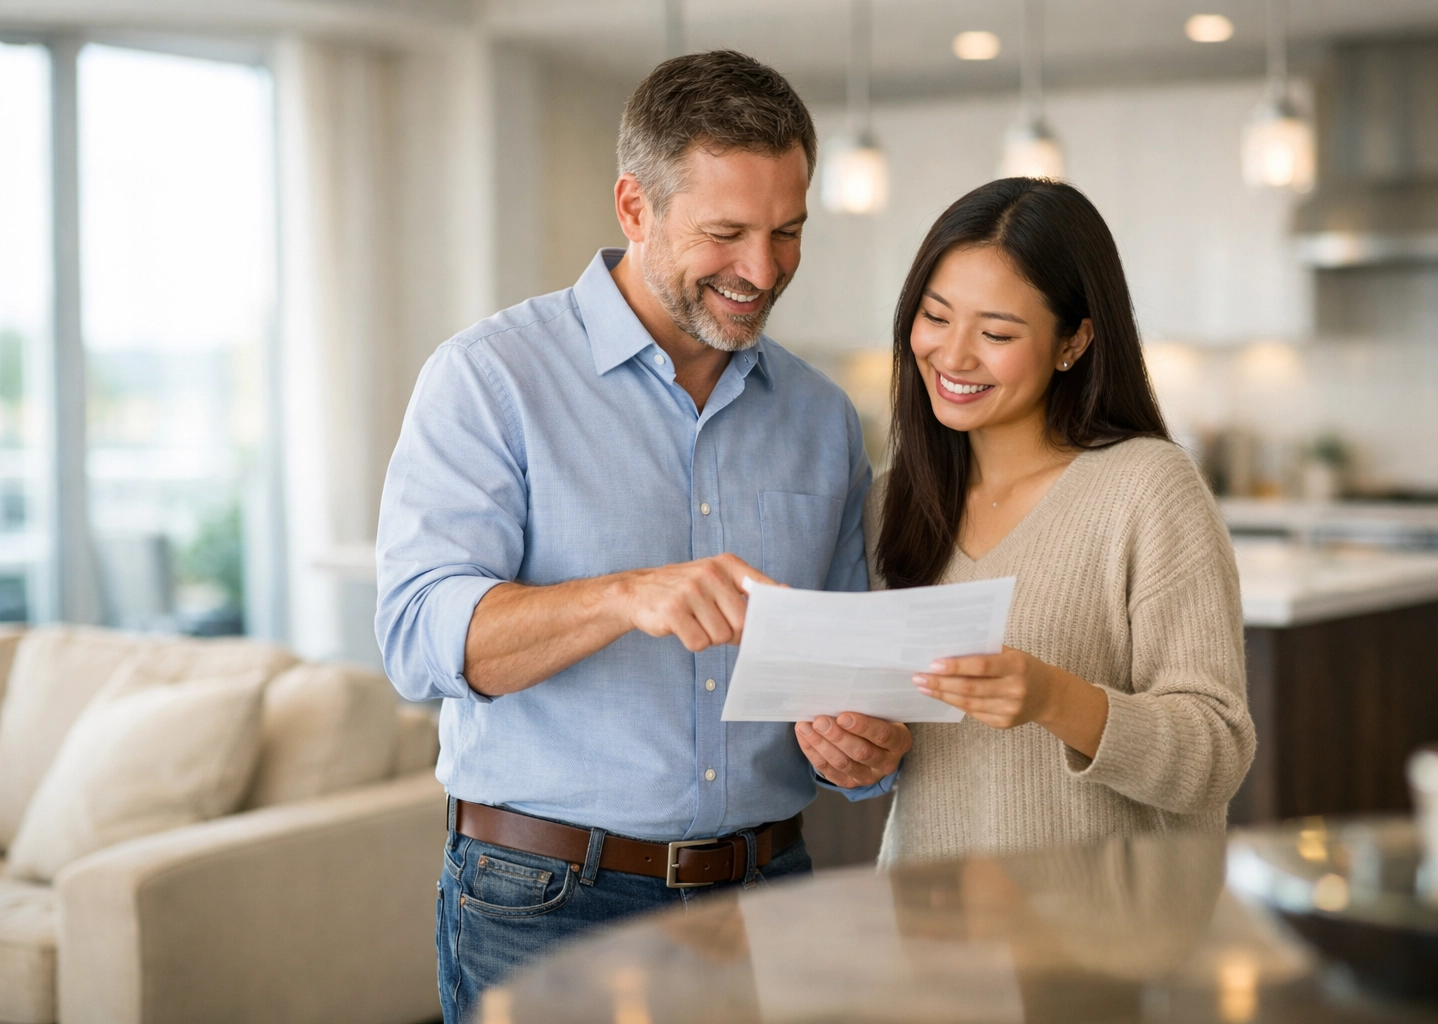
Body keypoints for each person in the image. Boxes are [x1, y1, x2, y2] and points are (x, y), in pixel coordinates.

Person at [375, 51, 911, 1021]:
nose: (763, 268)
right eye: (726, 233)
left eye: (788, 232)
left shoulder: (824, 418)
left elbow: (844, 668)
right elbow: (418, 638)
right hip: (546, 900)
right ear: (635, 207)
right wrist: (625, 594)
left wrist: (862, 745)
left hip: (771, 885)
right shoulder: (491, 379)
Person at [868, 177, 1255, 865]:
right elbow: (898, 751)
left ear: (1073, 341)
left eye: (996, 333)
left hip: (1105, 942)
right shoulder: (890, 501)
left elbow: (1216, 754)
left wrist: (1055, 697)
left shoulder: (1147, 489)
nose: (954, 356)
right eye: (935, 316)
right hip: (931, 936)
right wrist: (854, 749)